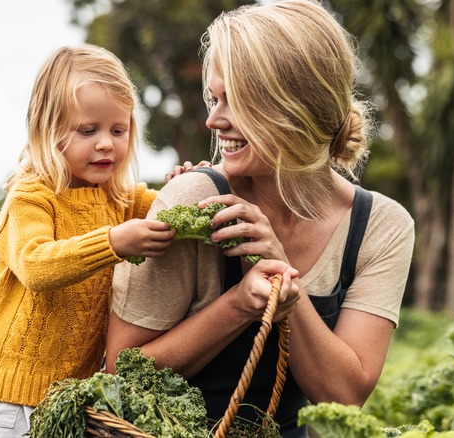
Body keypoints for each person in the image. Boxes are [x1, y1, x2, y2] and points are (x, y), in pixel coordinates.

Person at [105, 1, 415, 436]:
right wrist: (238, 306)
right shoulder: (195, 199)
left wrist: (284, 279)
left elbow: (345, 395)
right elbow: (121, 371)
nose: (213, 120)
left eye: (236, 102)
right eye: (215, 98)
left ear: (293, 107)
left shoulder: (380, 227)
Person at [0, 44, 182, 437]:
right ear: (49, 131)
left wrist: (187, 185)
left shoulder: (122, 200)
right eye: (87, 131)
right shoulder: (31, 196)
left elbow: (172, 208)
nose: (106, 143)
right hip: (1, 404)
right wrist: (112, 243)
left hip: (64, 405)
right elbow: (37, 265)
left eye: (118, 130)